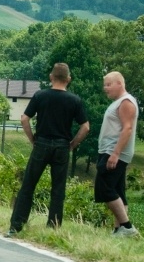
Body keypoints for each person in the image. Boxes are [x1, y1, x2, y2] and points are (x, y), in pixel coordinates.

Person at [6, 63, 90, 236]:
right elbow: (86, 127)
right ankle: (53, 228)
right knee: (58, 189)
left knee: (28, 185)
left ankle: (16, 226)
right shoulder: (75, 100)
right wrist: (72, 144)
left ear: (51, 77)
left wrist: (32, 139)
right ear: (69, 79)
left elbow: (24, 119)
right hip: (62, 146)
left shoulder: (40, 96)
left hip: (42, 143)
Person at [96, 71, 140, 237]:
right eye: (104, 85)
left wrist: (115, 154)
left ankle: (127, 226)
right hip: (110, 151)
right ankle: (118, 230)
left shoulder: (126, 102)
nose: (105, 88)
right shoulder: (118, 102)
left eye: (108, 84)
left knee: (104, 188)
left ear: (119, 84)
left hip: (114, 153)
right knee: (118, 190)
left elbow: (127, 128)